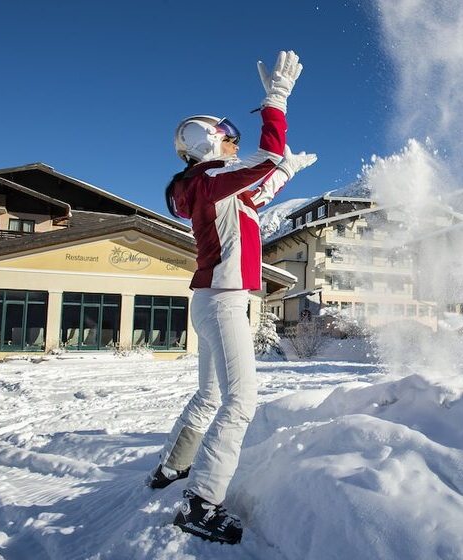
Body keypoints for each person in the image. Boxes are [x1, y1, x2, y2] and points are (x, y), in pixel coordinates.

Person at [148, 50, 317, 545]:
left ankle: (171, 469)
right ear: (207, 141)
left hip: (212, 299)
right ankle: (201, 502)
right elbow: (262, 162)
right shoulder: (210, 180)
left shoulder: (212, 189)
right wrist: (276, 100)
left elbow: (257, 191)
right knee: (240, 402)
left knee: (211, 395)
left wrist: (287, 173)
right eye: (227, 135)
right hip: (223, 300)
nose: (233, 141)